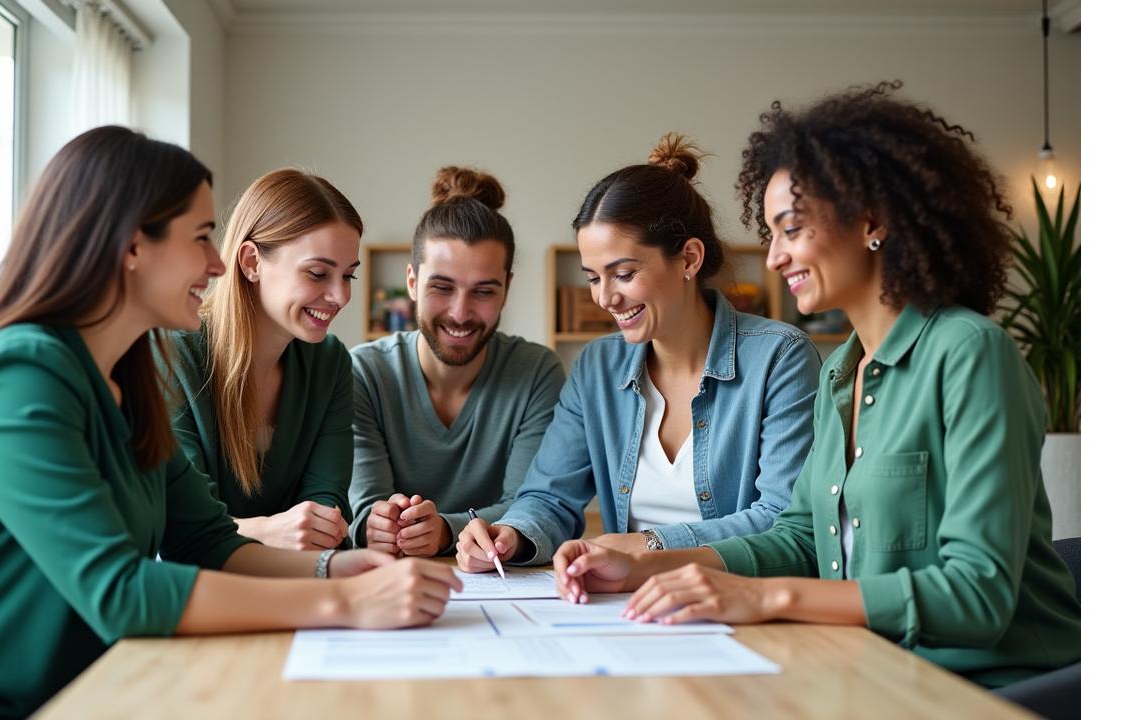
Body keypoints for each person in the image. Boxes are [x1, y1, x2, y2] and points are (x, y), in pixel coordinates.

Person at [0, 127, 460, 718]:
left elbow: (206, 541)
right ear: (132, 246)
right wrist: (344, 600)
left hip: (87, 694)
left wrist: (339, 566)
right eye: (203, 237)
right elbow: (120, 592)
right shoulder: (18, 374)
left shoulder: (127, 378)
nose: (216, 263)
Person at [552, 82, 1081, 689]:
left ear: (872, 221)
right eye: (771, 233)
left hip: (993, 687)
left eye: (792, 229)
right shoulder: (841, 371)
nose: (774, 258)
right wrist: (644, 565)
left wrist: (766, 598)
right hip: (872, 667)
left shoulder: (969, 354)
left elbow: (975, 595)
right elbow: (802, 536)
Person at [457, 134, 820, 572]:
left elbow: (780, 520)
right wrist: (512, 535)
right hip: (634, 609)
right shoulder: (597, 368)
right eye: (593, 278)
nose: (606, 298)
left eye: (623, 273)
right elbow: (549, 496)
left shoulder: (780, 358)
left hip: (739, 606)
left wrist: (647, 545)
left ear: (689, 259)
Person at [348, 167, 566, 556]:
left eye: (483, 291)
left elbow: (531, 505)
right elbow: (364, 509)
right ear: (412, 282)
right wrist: (377, 524)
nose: (460, 313)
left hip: (495, 581)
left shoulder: (537, 372)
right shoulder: (363, 372)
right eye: (442, 288)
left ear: (507, 289)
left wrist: (446, 531)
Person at [168, 169, 361, 551]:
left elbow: (327, 503)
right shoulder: (174, 353)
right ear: (251, 261)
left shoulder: (330, 362)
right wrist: (267, 531)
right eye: (318, 273)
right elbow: (174, 518)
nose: (339, 296)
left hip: (295, 586)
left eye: (349, 277)